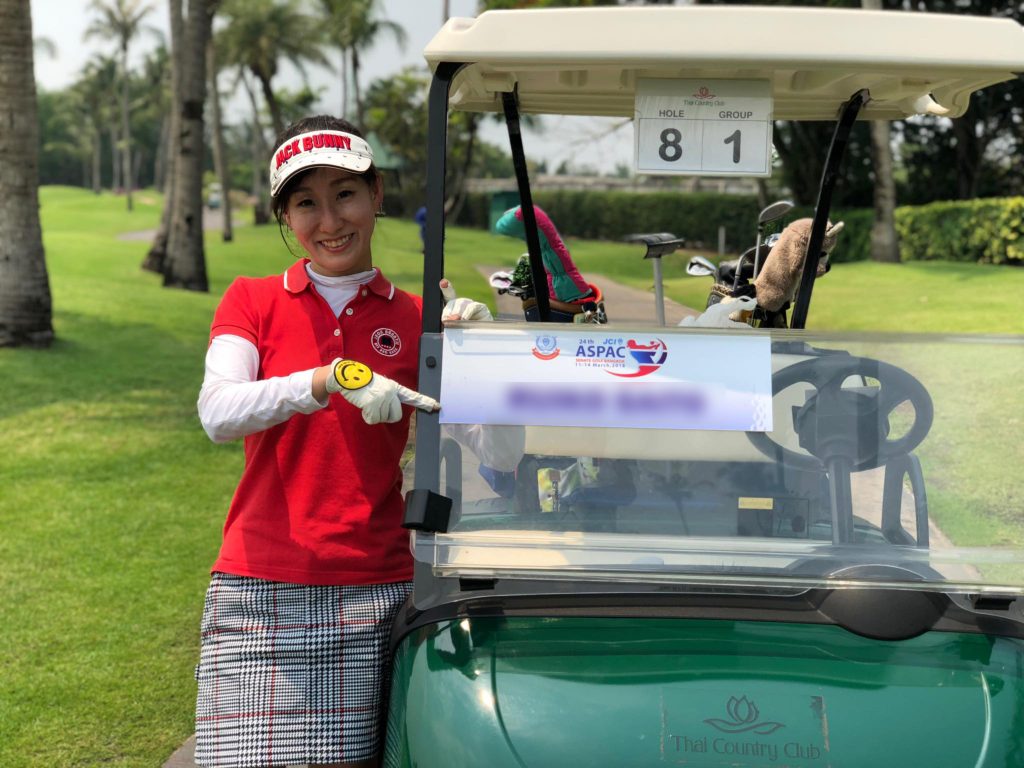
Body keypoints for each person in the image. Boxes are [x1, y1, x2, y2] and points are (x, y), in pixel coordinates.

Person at [193, 115, 468, 768]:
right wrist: (324, 379)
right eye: (305, 203)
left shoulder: (416, 317)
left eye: (344, 194)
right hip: (259, 582)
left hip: (374, 586)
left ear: (376, 194)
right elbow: (218, 413)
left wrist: (476, 356)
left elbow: (493, 447)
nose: (329, 221)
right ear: (286, 217)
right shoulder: (253, 300)